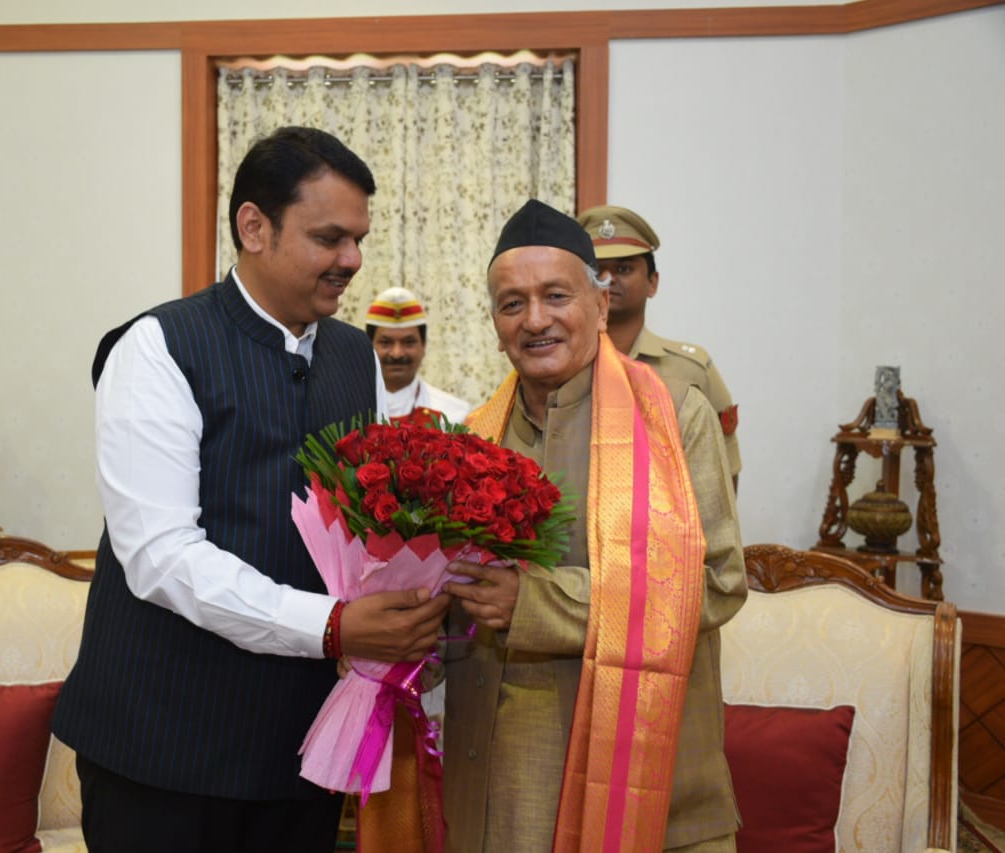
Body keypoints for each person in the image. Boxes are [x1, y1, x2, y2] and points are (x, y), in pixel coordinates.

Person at [51, 127, 451, 852]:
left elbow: (372, 523)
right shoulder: (158, 347)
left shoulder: (353, 353)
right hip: (161, 752)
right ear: (253, 226)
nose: (352, 261)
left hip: (297, 751)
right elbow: (162, 556)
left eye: (358, 239)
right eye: (330, 238)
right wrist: (333, 625)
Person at [441, 199, 746, 852]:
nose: (536, 319)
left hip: (657, 782)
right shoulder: (474, 438)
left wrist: (539, 601)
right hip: (511, 788)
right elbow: (457, 601)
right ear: (494, 323)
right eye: (512, 303)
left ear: (600, 304)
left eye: (556, 294)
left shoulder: (674, 419)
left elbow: (716, 581)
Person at [575, 205, 742, 484]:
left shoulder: (691, 370)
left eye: (624, 268)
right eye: (597, 271)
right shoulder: (562, 367)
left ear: (653, 282)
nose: (608, 279)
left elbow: (723, 474)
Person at [365, 286, 472, 425]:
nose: (397, 354)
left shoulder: (454, 415)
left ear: (424, 345)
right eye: (386, 342)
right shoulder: (349, 409)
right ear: (368, 347)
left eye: (408, 342)